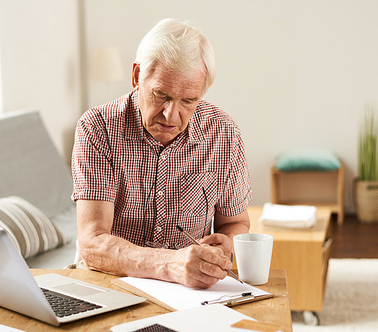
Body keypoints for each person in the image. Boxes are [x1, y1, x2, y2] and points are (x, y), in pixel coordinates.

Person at [71, 18, 252, 289]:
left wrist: (225, 244)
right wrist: (170, 264)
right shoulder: (98, 128)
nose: (171, 115)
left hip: (189, 289)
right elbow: (93, 242)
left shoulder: (224, 134)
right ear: (136, 76)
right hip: (110, 283)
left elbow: (236, 222)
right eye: (161, 95)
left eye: (188, 101)